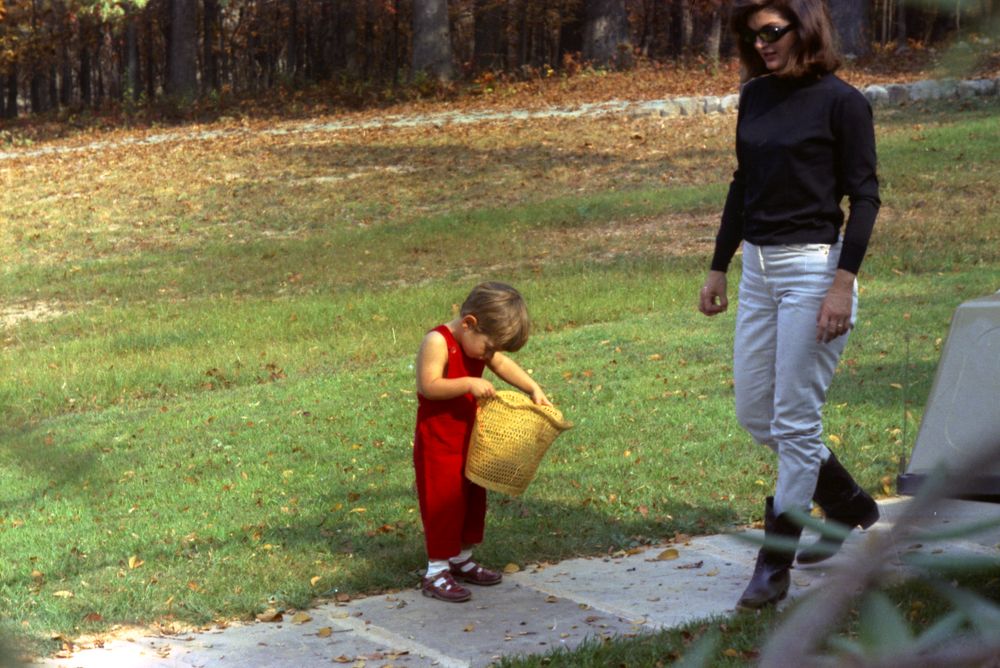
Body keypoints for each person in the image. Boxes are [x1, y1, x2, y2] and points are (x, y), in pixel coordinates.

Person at [698, 0, 881, 610]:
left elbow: (866, 198)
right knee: (756, 414)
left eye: (773, 32)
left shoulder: (844, 102)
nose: (763, 44)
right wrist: (719, 265)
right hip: (759, 270)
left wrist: (843, 284)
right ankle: (847, 500)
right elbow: (741, 185)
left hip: (814, 271)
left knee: (795, 424)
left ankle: (773, 567)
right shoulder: (756, 97)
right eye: (754, 37)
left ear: (805, 28)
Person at [413, 281, 551, 602]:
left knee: (472, 500)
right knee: (443, 504)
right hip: (439, 443)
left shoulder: (478, 343)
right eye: (488, 347)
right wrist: (467, 383)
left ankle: (460, 559)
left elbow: (501, 363)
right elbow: (428, 386)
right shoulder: (438, 341)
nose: (489, 356)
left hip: (471, 438)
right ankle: (436, 571)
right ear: (469, 323)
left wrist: (531, 387)